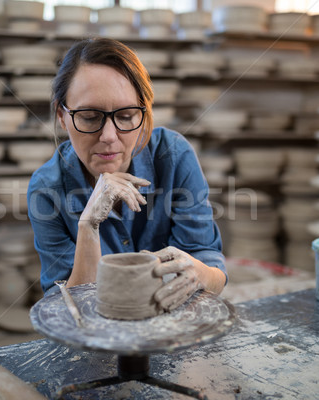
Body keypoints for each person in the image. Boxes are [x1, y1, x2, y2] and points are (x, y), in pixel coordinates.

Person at [27, 38, 227, 311]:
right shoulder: (46, 188)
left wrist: (201, 274)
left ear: (144, 115)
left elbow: (210, 265)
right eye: (89, 117)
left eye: (126, 115)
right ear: (62, 116)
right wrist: (88, 227)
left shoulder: (173, 156)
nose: (109, 137)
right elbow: (65, 310)